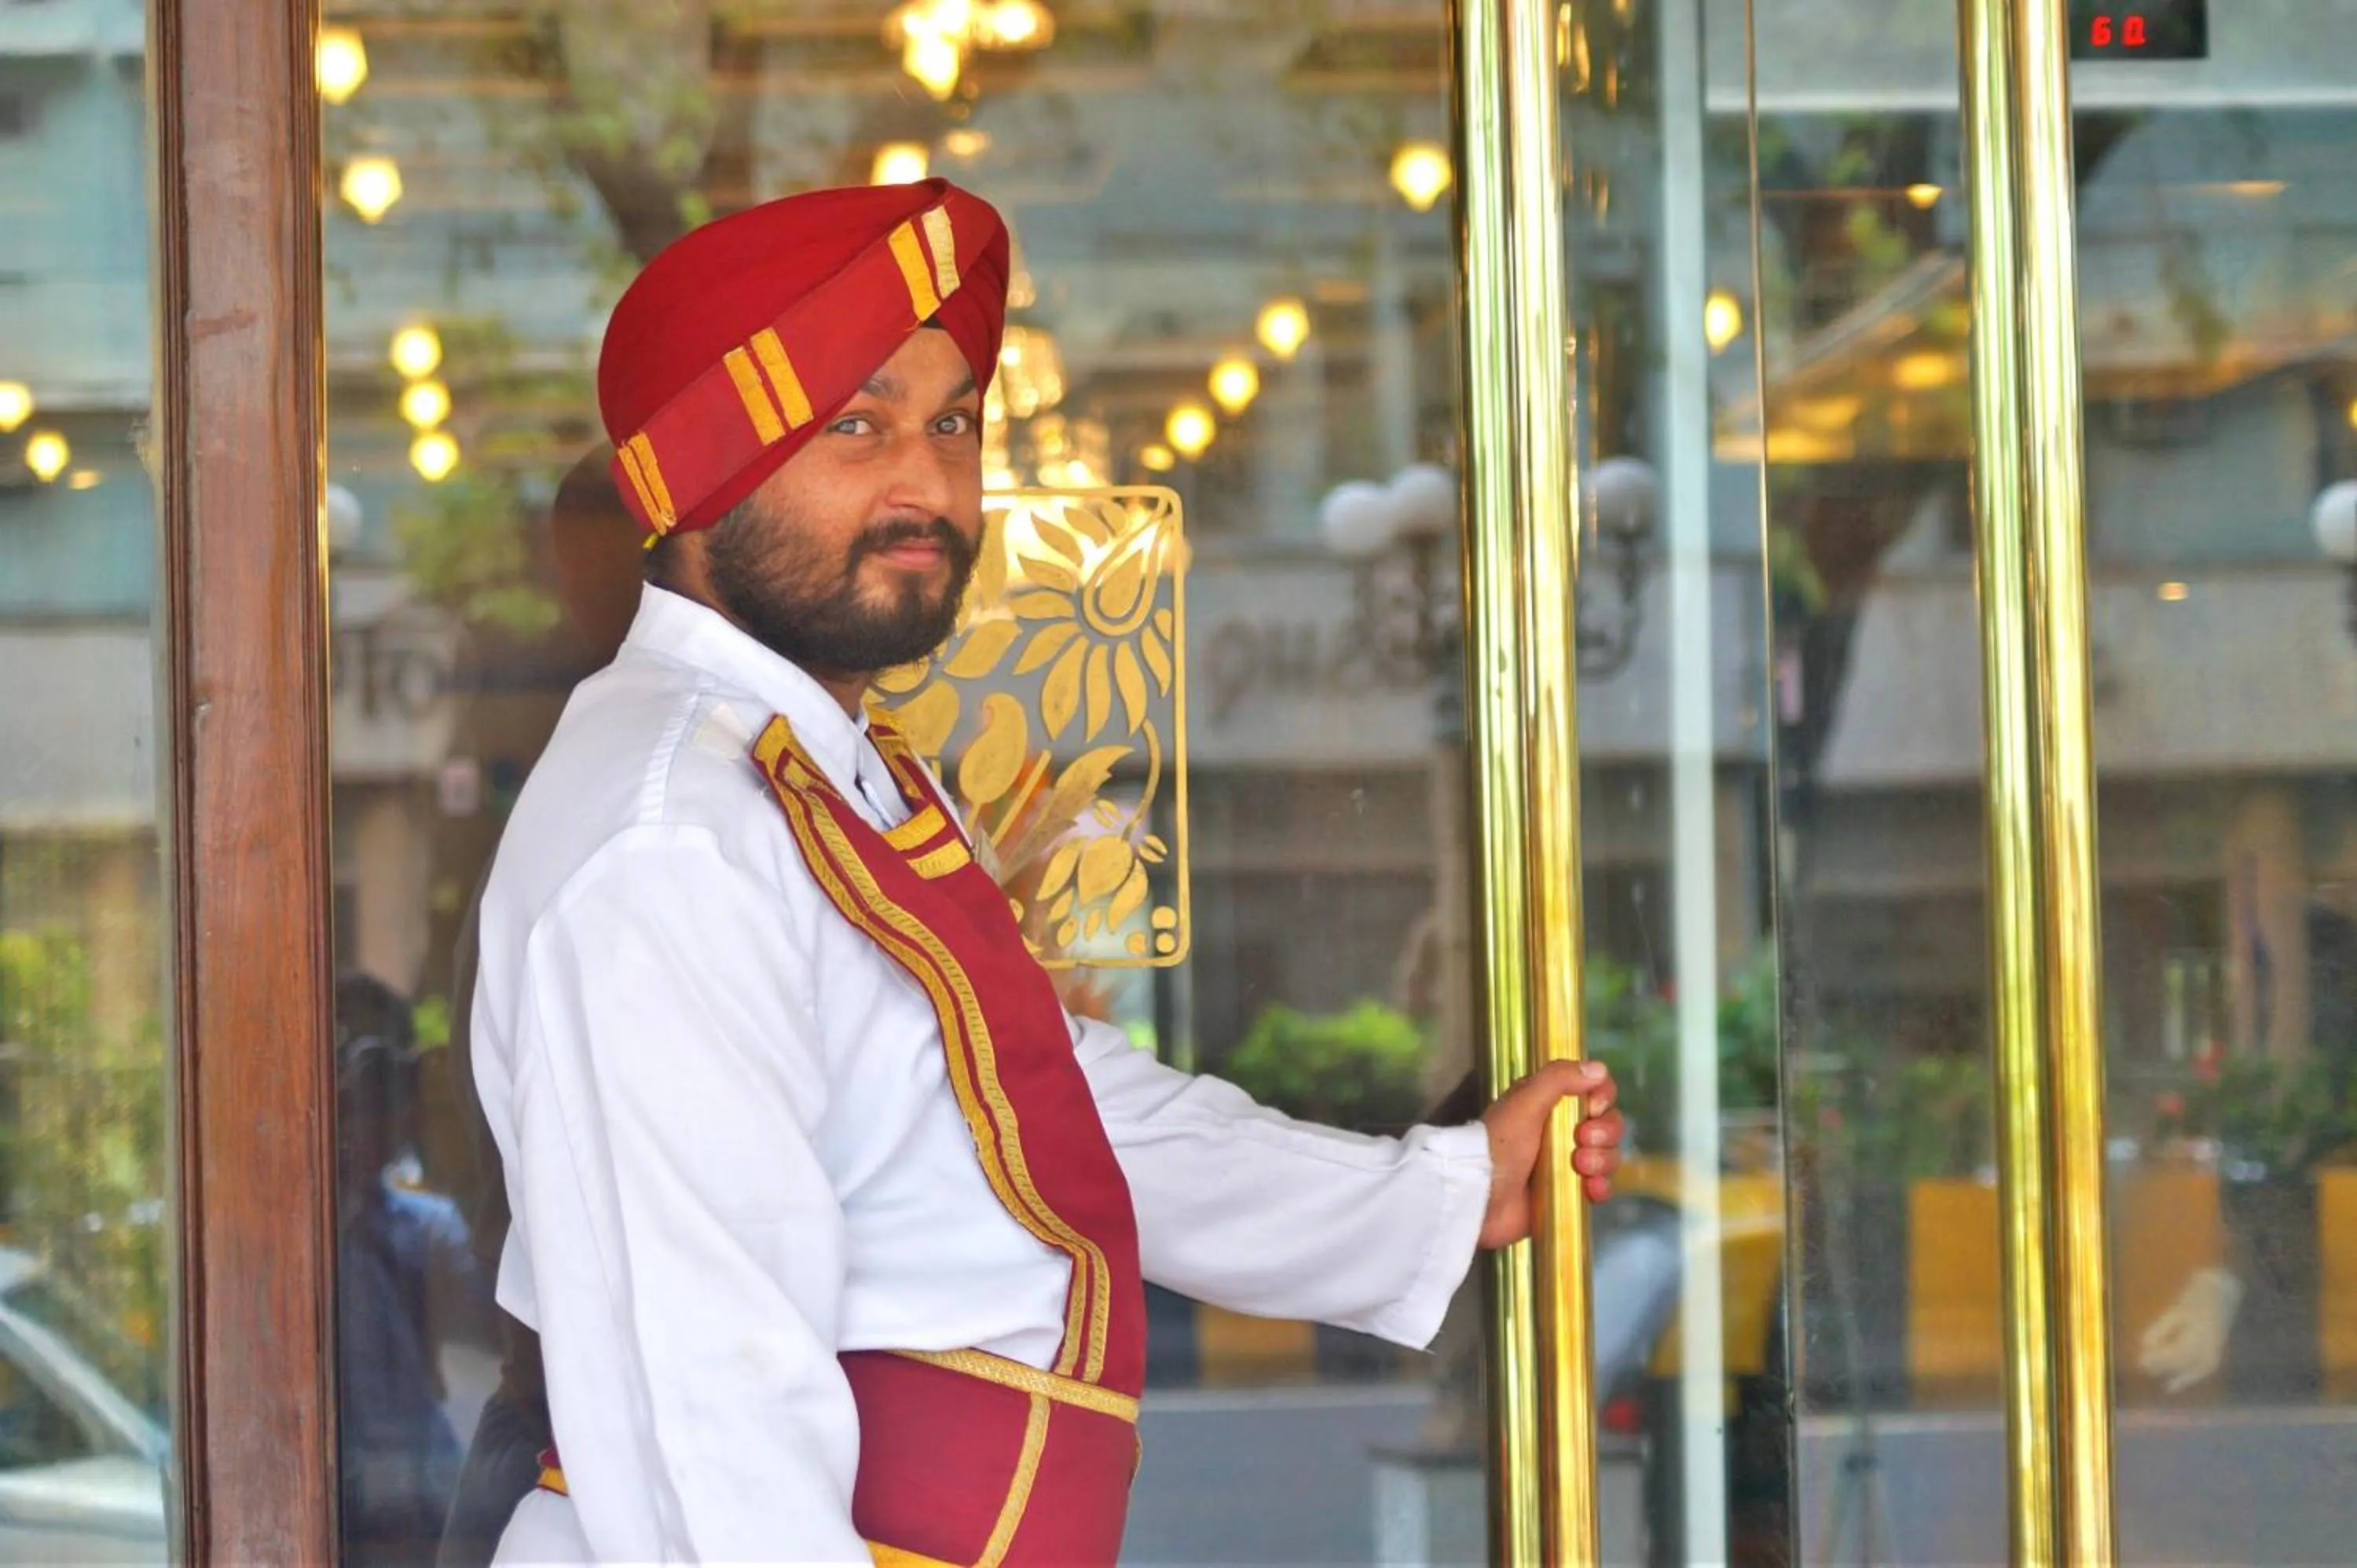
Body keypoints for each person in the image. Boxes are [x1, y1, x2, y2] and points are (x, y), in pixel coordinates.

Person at [467, 177, 1626, 1564]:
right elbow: (706, 1403)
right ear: (701, 478)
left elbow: (1057, 1114)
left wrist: (1431, 1198)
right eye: (857, 425)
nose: (928, 484)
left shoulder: (826, 775)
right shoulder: (673, 833)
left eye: (954, 423)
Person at [335, 972, 497, 1566]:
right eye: (353, 1098)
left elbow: (496, 1335)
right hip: (340, 1509)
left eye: (386, 1093)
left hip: (423, 1504)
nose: (368, 1118)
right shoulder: (292, 1239)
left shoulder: (426, 1227)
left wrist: (450, 1138)